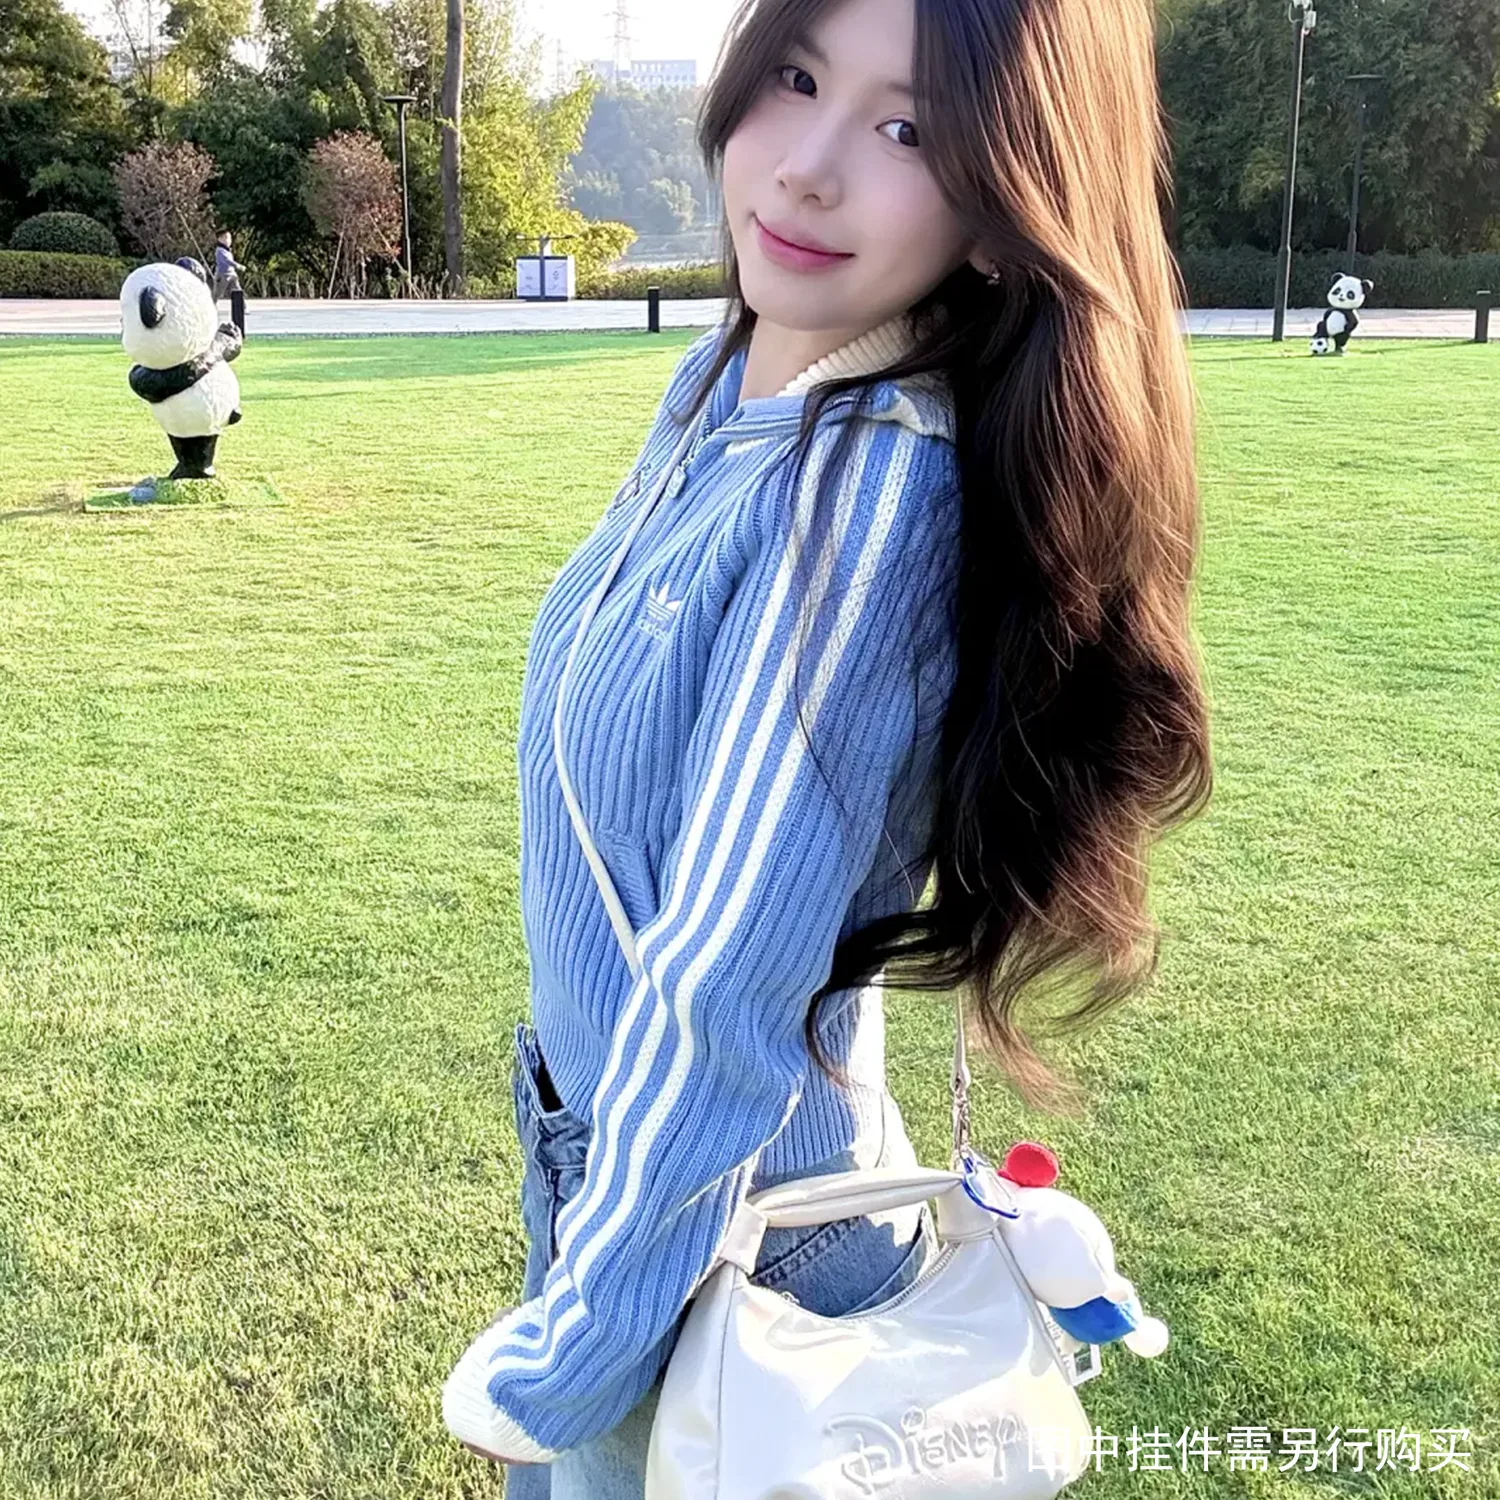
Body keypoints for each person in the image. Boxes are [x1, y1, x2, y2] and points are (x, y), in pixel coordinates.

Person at [441, 0, 1212, 1491]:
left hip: (726, 1246)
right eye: (796, 78)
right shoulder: (732, 385)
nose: (807, 165)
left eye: (908, 126)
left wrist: (568, 1352)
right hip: (626, 1178)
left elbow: (725, 980)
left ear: (1005, 205)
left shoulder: (865, 490)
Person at [212, 227, 245, 338]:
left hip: (232, 274)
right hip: (223, 275)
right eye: (225, 238)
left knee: (238, 290)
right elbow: (228, 261)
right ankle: (210, 307)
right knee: (217, 294)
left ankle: (243, 307)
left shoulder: (227, 250)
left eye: (229, 238)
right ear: (220, 239)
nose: (228, 240)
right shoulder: (220, 251)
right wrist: (238, 266)